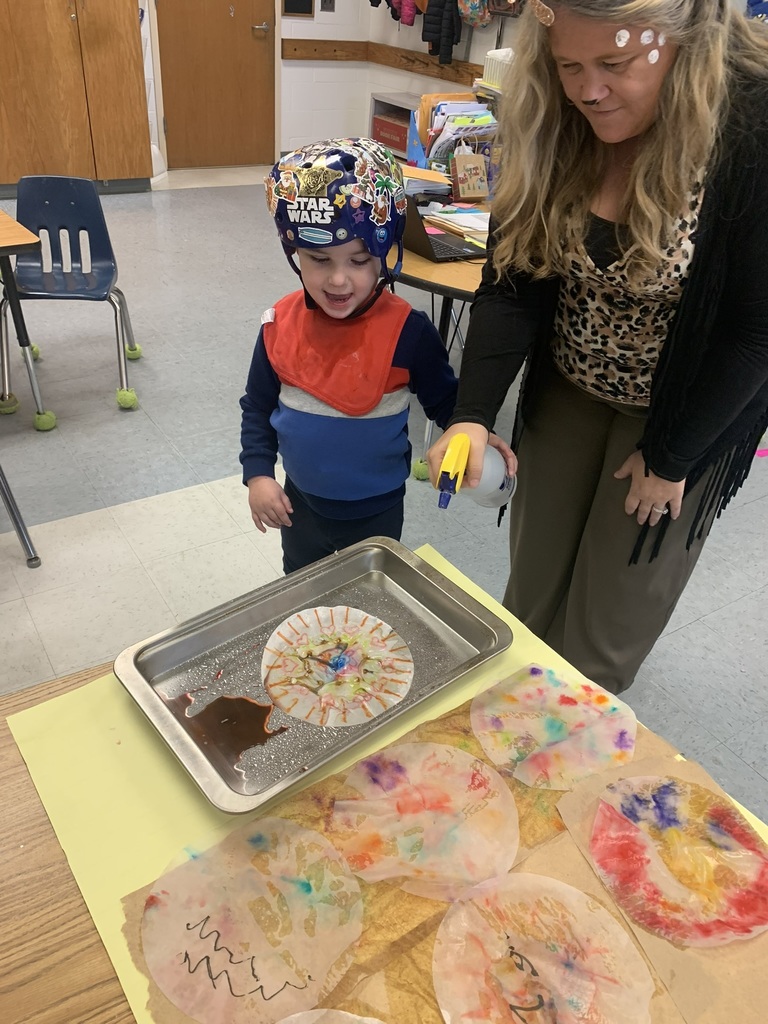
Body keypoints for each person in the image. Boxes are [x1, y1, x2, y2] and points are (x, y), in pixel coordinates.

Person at [427, 0, 768, 694]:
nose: (588, 90)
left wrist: (673, 459)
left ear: (683, 43)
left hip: (688, 406)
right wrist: (472, 414)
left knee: (603, 626)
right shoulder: (550, 111)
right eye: (569, 65)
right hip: (572, 379)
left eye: (615, 64)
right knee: (530, 597)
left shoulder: (752, 123)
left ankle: (570, 745)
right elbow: (510, 280)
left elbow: (755, 332)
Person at [241, 138, 501, 573]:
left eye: (359, 260)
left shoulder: (408, 332)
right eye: (319, 259)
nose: (339, 279)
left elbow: (447, 404)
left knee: (368, 605)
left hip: (375, 512)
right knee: (303, 594)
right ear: (294, 254)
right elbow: (257, 406)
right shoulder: (277, 325)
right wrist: (259, 475)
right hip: (298, 503)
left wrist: (473, 429)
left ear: (383, 252)